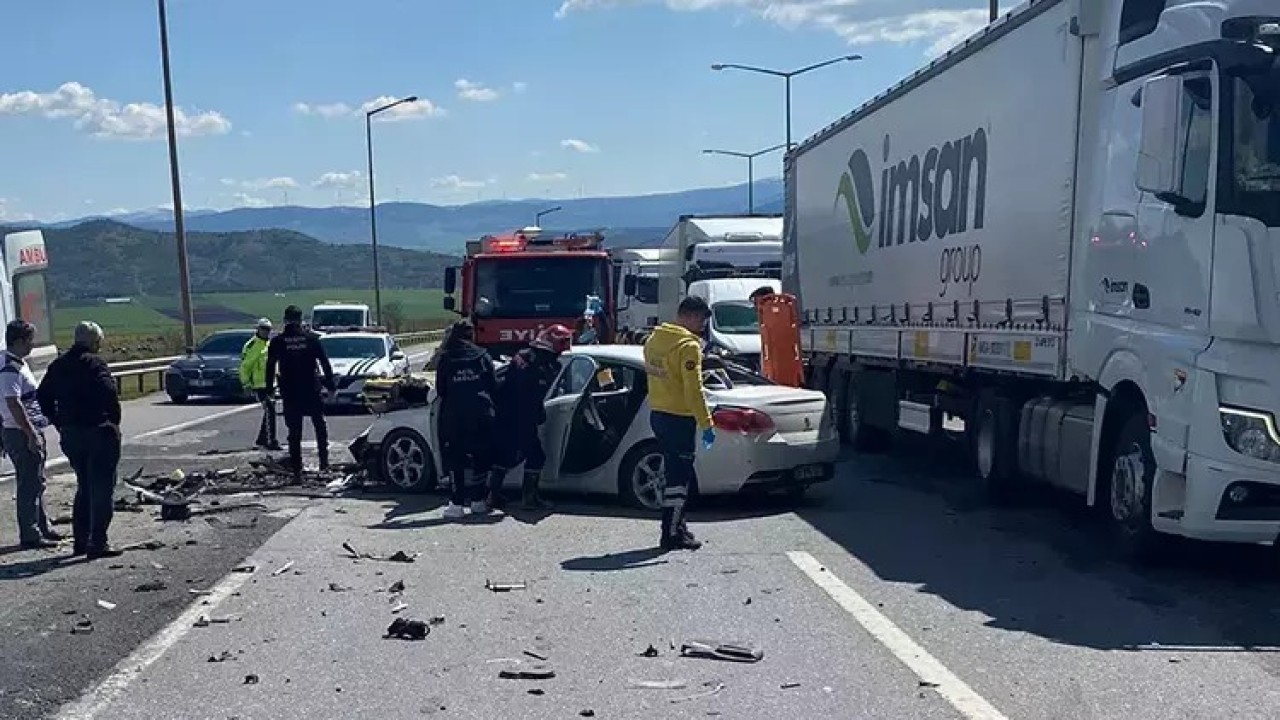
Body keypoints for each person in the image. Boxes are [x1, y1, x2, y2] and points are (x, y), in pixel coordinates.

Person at [38, 320, 123, 558]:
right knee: (102, 488)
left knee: (84, 486)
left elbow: (42, 396)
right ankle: (97, 542)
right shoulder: (95, 364)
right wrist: (113, 423)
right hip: (98, 430)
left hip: (72, 433)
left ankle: (80, 541)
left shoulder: (59, 365)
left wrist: (58, 421)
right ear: (95, 341)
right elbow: (109, 394)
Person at [643, 296, 715, 551]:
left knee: (673, 472)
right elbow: (694, 389)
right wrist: (706, 423)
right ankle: (671, 533)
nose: (702, 326)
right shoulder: (688, 346)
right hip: (679, 417)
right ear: (692, 316)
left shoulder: (653, 340)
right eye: (702, 320)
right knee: (678, 478)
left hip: (658, 414)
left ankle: (678, 526)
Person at [485, 324, 572, 512]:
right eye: (562, 343)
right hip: (520, 415)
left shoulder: (526, 355)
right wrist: (537, 414)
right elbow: (530, 391)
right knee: (535, 456)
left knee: (506, 455)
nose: (564, 348)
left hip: (508, 412)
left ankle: (493, 495)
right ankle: (528, 498)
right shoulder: (538, 361)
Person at [1, 321, 61, 550]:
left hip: (26, 429)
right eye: (29, 341)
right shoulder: (9, 369)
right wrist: (30, 433)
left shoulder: (16, 363)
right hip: (20, 432)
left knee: (36, 481)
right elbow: (13, 404)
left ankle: (42, 526)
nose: (32, 345)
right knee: (28, 483)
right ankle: (30, 533)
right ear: (18, 341)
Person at [265, 305, 335, 482]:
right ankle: (324, 463)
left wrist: (269, 390)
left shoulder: (278, 342)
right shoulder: (311, 339)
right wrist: (331, 386)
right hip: (311, 389)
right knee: (319, 425)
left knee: (294, 432)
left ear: (285, 320)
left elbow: (270, 367)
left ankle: (297, 470)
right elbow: (325, 364)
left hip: (290, 392)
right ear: (300, 320)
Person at [435, 319, 497, 518]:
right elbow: (493, 385)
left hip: (455, 415)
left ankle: (457, 503)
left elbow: (441, 389)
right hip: (482, 412)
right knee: (482, 455)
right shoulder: (483, 356)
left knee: (455, 458)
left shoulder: (446, 358)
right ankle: (478, 501)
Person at [241, 318, 280, 451]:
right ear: (258, 329)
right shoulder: (252, 345)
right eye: (263, 329)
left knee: (269, 412)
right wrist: (246, 384)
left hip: (271, 384)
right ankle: (271, 441)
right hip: (259, 385)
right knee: (270, 410)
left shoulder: (270, 344)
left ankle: (262, 439)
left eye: (268, 329)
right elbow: (245, 366)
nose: (266, 332)